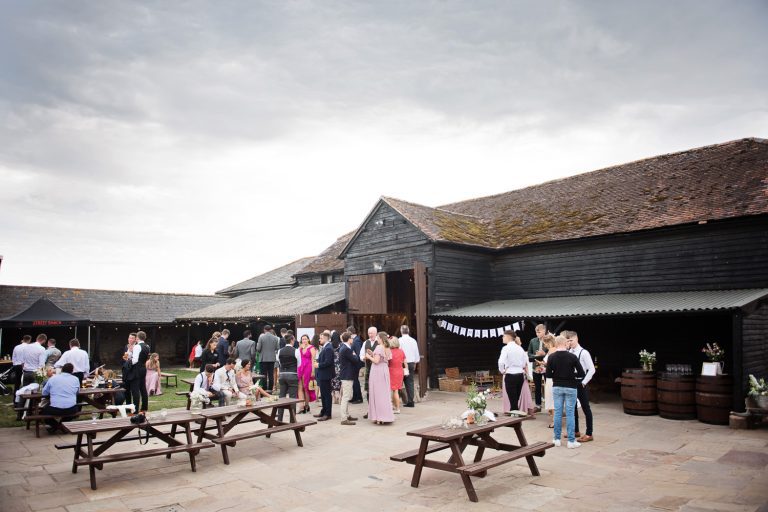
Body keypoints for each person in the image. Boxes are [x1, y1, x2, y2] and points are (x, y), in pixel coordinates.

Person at [545, 335, 585, 449]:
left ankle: (556, 439)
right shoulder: (572, 356)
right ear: (565, 343)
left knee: (557, 413)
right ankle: (571, 442)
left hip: (557, 386)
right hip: (571, 387)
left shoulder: (551, 357)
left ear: (556, 344)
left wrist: (557, 375)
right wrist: (571, 375)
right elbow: (581, 373)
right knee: (570, 413)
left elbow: (548, 375)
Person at [566, 330, 596, 443]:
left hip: (581, 383)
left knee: (585, 408)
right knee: (572, 408)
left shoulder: (584, 352)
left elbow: (592, 369)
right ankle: (575, 430)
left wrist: (584, 382)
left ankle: (589, 433)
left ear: (577, 338)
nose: (570, 342)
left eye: (571, 340)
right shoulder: (569, 352)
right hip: (571, 383)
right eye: (568, 340)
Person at [40, 362, 80, 434]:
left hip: (55, 409)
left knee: (42, 413)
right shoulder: (76, 379)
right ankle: (61, 426)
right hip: (72, 408)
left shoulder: (53, 378)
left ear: (62, 369)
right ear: (72, 371)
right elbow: (77, 392)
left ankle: (56, 426)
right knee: (73, 411)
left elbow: (44, 393)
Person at [365, 332, 394, 425]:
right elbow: (384, 358)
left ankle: (379, 417)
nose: (377, 339)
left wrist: (368, 356)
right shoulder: (387, 347)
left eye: (377, 337)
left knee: (377, 394)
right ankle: (385, 416)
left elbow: (376, 361)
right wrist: (373, 353)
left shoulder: (379, 347)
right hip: (384, 370)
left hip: (377, 371)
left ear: (381, 338)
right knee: (384, 394)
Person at [498, 330, 528, 411]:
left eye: (503, 336)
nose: (502, 338)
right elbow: (524, 362)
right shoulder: (520, 348)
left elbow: (501, 362)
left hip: (510, 374)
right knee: (515, 399)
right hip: (520, 375)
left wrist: (502, 371)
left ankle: (514, 420)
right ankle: (515, 419)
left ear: (508, 337)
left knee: (513, 401)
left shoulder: (506, 348)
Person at [338, 332, 363, 425]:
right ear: (349, 339)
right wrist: (354, 354)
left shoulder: (344, 347)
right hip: (347, 375)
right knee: (346, 397)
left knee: (346, 396)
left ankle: (347, 415)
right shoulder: (346, 349)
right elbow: (356, 359)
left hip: (346, 374)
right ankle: (344, 418)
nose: (352, 339)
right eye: (351, 338)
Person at [276, 334, 300, 421]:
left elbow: (279, 362)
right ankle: (292, 420)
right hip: (292, 375)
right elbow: (299, 364)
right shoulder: (296, 351)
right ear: (292, 340)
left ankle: (279, 419)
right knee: (292, 398)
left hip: (282, 375)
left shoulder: (279, 351)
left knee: (281, 397)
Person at [313, 331, 334, 421]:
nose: (319, 340)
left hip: (326, 374)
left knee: (326, 395)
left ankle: (327, 413)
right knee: (324, 394)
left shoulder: (328, 348)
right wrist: (317, 361)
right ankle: (323, 411)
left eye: (321, 338)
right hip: (323, 374)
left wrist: (319, 365)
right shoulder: (325, 347)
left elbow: (328, 362)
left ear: (325, 338)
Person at [528, 324, 549, 411]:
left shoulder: (549, 340)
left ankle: (550, 406)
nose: (537, 334)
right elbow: (529, 354)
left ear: (544, 331)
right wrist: (536, 356)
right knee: (537, 387)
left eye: (539, 332)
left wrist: (544, 354)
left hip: (546, 366)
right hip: (536, 367)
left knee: (548, 386)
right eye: (536, 332)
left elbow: (552, 352)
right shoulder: (533, 341)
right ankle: (538, 406)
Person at [359, 326, 379, 418]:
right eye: (369, 333)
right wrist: (364, 357)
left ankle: (378, 411)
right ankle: (370, 410)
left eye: (372, 333)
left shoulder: (379, 342)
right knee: (368, 391)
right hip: (368, 369)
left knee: (377, 391)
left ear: (376, 333)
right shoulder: (365, 343)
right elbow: (361, 355)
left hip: (378, 369)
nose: (370, 335)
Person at [399, 325, 420, 408]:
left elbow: (398, 352)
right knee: (410, 382)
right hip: (411, 363)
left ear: (401, 331)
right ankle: (411, 401)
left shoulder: (399, 340)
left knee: (399, 383)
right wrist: (415, 363)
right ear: (408, 331)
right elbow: (416, 353)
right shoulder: (413, 340)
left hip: (402, 363)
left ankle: (398, 400)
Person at [128, 331, 150, 411]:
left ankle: (135, 409)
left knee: (135, 389)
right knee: (143, 388)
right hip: (143, 368)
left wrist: (128, 361)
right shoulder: (147, 346)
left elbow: (135, 360)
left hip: (136, 369)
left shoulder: (137, 346)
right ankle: (144, 407)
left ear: (137, 337)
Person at [256, 325, 280, 392]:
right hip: (272, 358)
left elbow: (258, 349)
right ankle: (270, 390)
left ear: (264, 329)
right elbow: (277, 348)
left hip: (263, 358)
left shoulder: (261, 337)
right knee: (271, 375)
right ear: (270, 329)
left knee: (263, 375)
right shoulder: (275, 338)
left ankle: (264, 390)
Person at [297, 334, 316, 414]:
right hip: (300, 368)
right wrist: (300, 348)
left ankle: (307, 406)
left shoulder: (311, 348)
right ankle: (301, 406)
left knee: (306, 387)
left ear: (308, 339)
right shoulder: (300, 348)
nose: (304, 340)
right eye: (302, 339)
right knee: (300, 387)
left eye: (305, 339)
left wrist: (313, 371)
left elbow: (313, 360)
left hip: (308, 368)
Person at [388, 336, 406, 414]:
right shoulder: (401, 351)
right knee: (396, 390)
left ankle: (397, 408)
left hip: (391, 371)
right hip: (400, 371)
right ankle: (395, 406)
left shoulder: (389, 351)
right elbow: (405, 362)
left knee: (393, 390)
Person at [348, 326, 364, 403]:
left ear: (350, 332)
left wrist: (354, 361)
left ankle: (359, 398)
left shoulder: (356, 341)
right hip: (354, 364)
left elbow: (358, 354)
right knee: (354, 381)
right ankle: (355, 397)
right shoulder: (355, 340)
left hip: (356, 364)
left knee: (355, 381)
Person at [330, 331, 342, 404]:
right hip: (339, 366)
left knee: (332, 382)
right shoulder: (341, 345)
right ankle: (339, 397)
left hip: (332, 366)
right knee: (339, 382)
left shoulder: (330, 345)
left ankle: (334, 398)